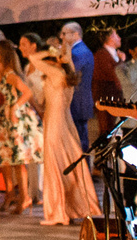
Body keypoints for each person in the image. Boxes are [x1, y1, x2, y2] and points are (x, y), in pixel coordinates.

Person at [24, 31, 100, 227]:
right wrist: (60, 53)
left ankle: (58, 211)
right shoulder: (68, 72)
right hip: (65, 122)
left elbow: (32, 57)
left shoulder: (56, 73)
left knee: (55, 164)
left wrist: (51, 51)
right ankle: (70, 208)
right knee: (68, 161)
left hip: (55, 123)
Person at [0, 36, 41, 215]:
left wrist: (15, 108)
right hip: (6, 117)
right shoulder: (5, 74)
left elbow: (27, 92)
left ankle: (24, 196)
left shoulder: (10, 74)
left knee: (18, 159)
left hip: (14, 118)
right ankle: (11, 194)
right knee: (6, 157)